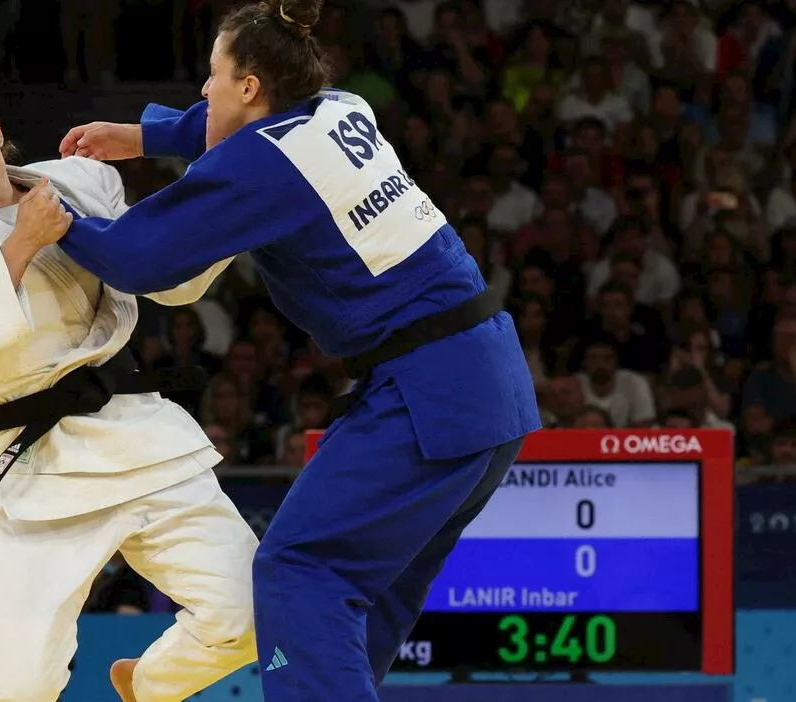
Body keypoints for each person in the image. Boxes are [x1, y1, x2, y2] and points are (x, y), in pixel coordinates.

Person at [55, 1, 540, 699]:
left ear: (250, 86)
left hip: (427, 392)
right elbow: (239, 133)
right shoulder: (339, 109)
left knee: (297, 571)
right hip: (490, 387)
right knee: (364, 599)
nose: (201, 92)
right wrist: (143, 133)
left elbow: (139, 258)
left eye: (212, 77)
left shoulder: (263, 163)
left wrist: (54, 219)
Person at [0, 70, 259, 702]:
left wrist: (221, 200)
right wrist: (24, 240)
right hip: (38, 461)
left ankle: (150, 683)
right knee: (19, 689)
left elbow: (165, 278)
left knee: (250, 611)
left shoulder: (79, 181)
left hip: (140, 435)